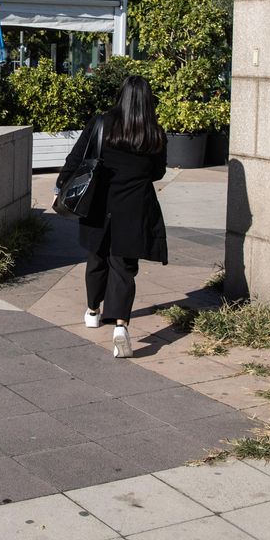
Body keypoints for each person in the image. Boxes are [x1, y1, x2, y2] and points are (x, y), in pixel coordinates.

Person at [56, 75, 168, 358]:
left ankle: (93, 311)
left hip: (98, 204)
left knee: (96, 258)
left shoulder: (101, 123)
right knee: (124, 266)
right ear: (146, 100)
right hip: (134, 207)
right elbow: (158, 173)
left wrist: (63, 185)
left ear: (121, 96)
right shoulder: (154, 132)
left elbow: (77, 157)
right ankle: (120, 326)